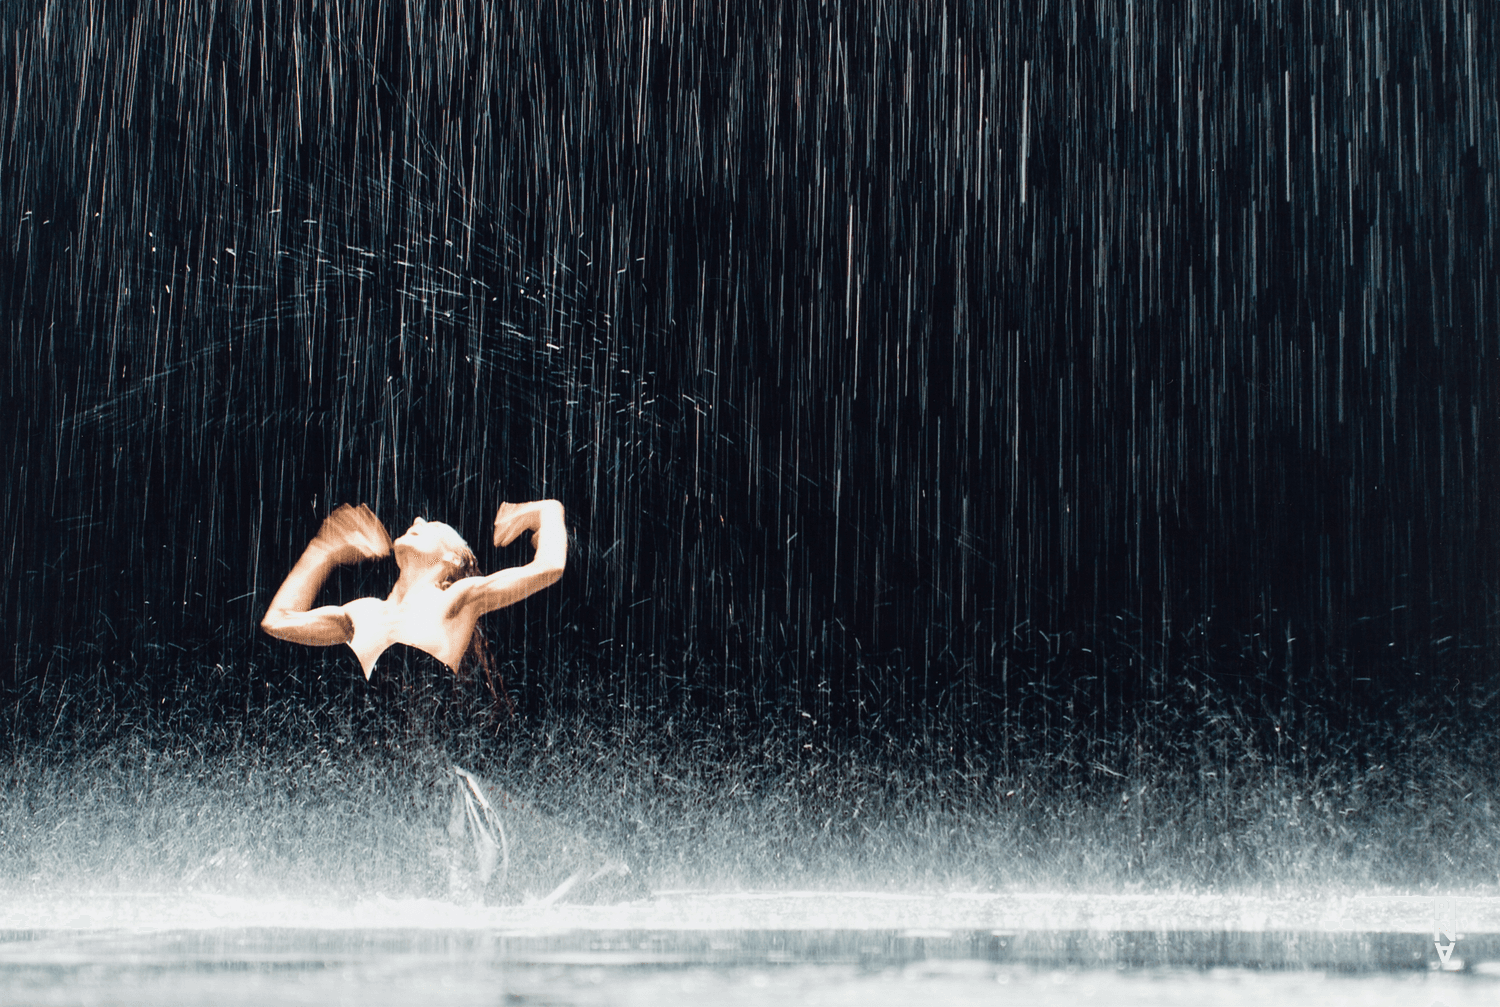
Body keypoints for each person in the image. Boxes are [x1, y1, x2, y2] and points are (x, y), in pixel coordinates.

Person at [259, 499, 567, 681]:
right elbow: (277, 621)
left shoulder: (456, 599)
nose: (418, 519)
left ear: (454, 558)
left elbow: (549, 567)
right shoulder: (361, 612)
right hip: (376, 775)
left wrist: (549, 510)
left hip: (433, 781)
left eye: (433, 525)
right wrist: (324, 550)